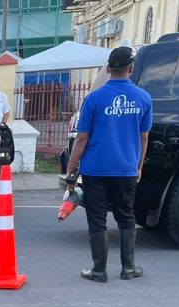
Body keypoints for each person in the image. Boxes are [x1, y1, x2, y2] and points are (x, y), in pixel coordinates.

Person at [64, 46, 151, 282]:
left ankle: (99, 270)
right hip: (126, 168)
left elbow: (82, 138)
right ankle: (128, 268)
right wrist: (139, 166)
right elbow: (144, 137)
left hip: (95, 169)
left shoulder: (93, 98)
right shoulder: (143, 98)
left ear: (109, 69)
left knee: (97, 217)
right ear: (131, 69)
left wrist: (71, 170)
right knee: (126, 215)